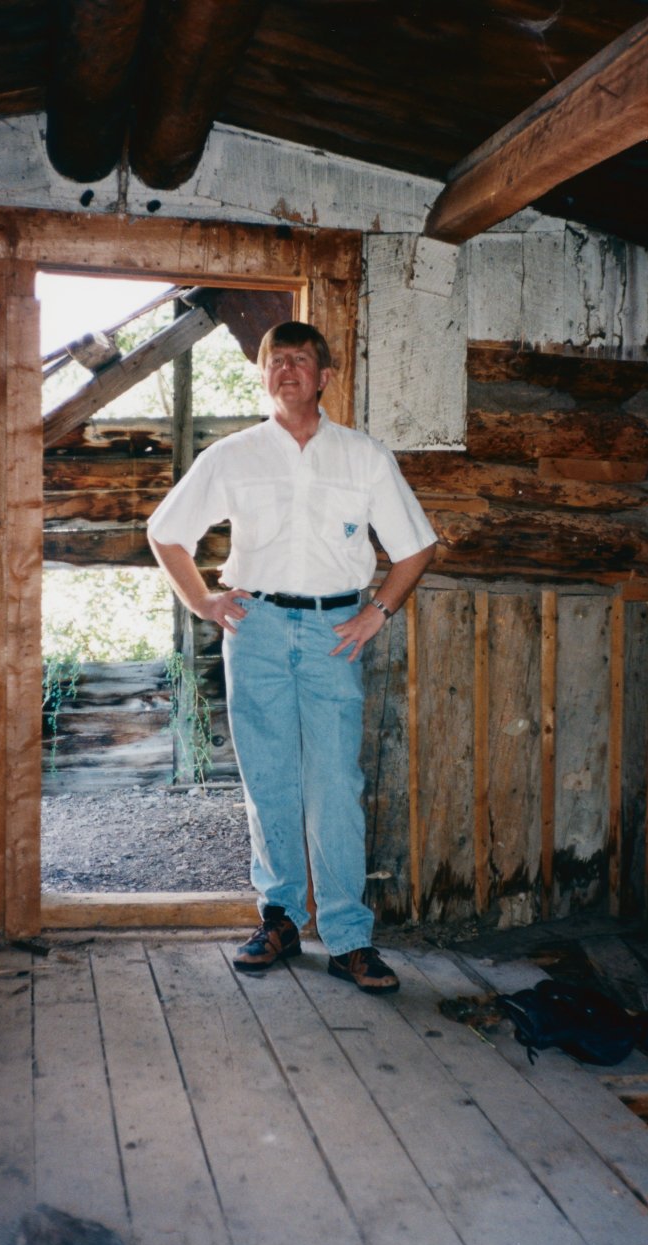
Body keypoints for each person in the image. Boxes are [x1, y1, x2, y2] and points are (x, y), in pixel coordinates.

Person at [148, 321, 436, 993]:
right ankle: (279, 918)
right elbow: (166, 533)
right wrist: (206, 605)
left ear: (324, 376)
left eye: (299, 361)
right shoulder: (233, 455)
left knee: (335, 784)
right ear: (263, 377)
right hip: (258, 630)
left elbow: (416, 547)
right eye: (275, 362)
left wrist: (376, 611)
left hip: (336, 629)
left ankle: (347, 938)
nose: (286, 371)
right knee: (269, 779)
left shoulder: (362, 456)